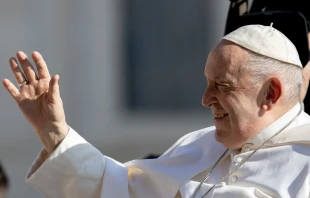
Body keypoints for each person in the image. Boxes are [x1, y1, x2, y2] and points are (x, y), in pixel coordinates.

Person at [3, 24, 310, 197]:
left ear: (270, 93)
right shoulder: (196, 144)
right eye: (207, 83)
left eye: (222, 85)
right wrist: (51, 129)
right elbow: (116, 188)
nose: (205, 99)